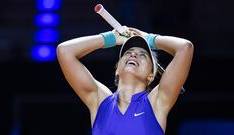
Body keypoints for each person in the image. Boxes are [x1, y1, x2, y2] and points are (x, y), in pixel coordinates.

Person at [56, 27, 194, 135]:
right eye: (128, 53)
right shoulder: (99, 101)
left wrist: (148, 38)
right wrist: (111, 38)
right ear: (117, 70)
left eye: (143, 55)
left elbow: (185, 48)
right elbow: (64, 51)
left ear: (151, 76)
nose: (134, 54)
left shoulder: (157, 102)